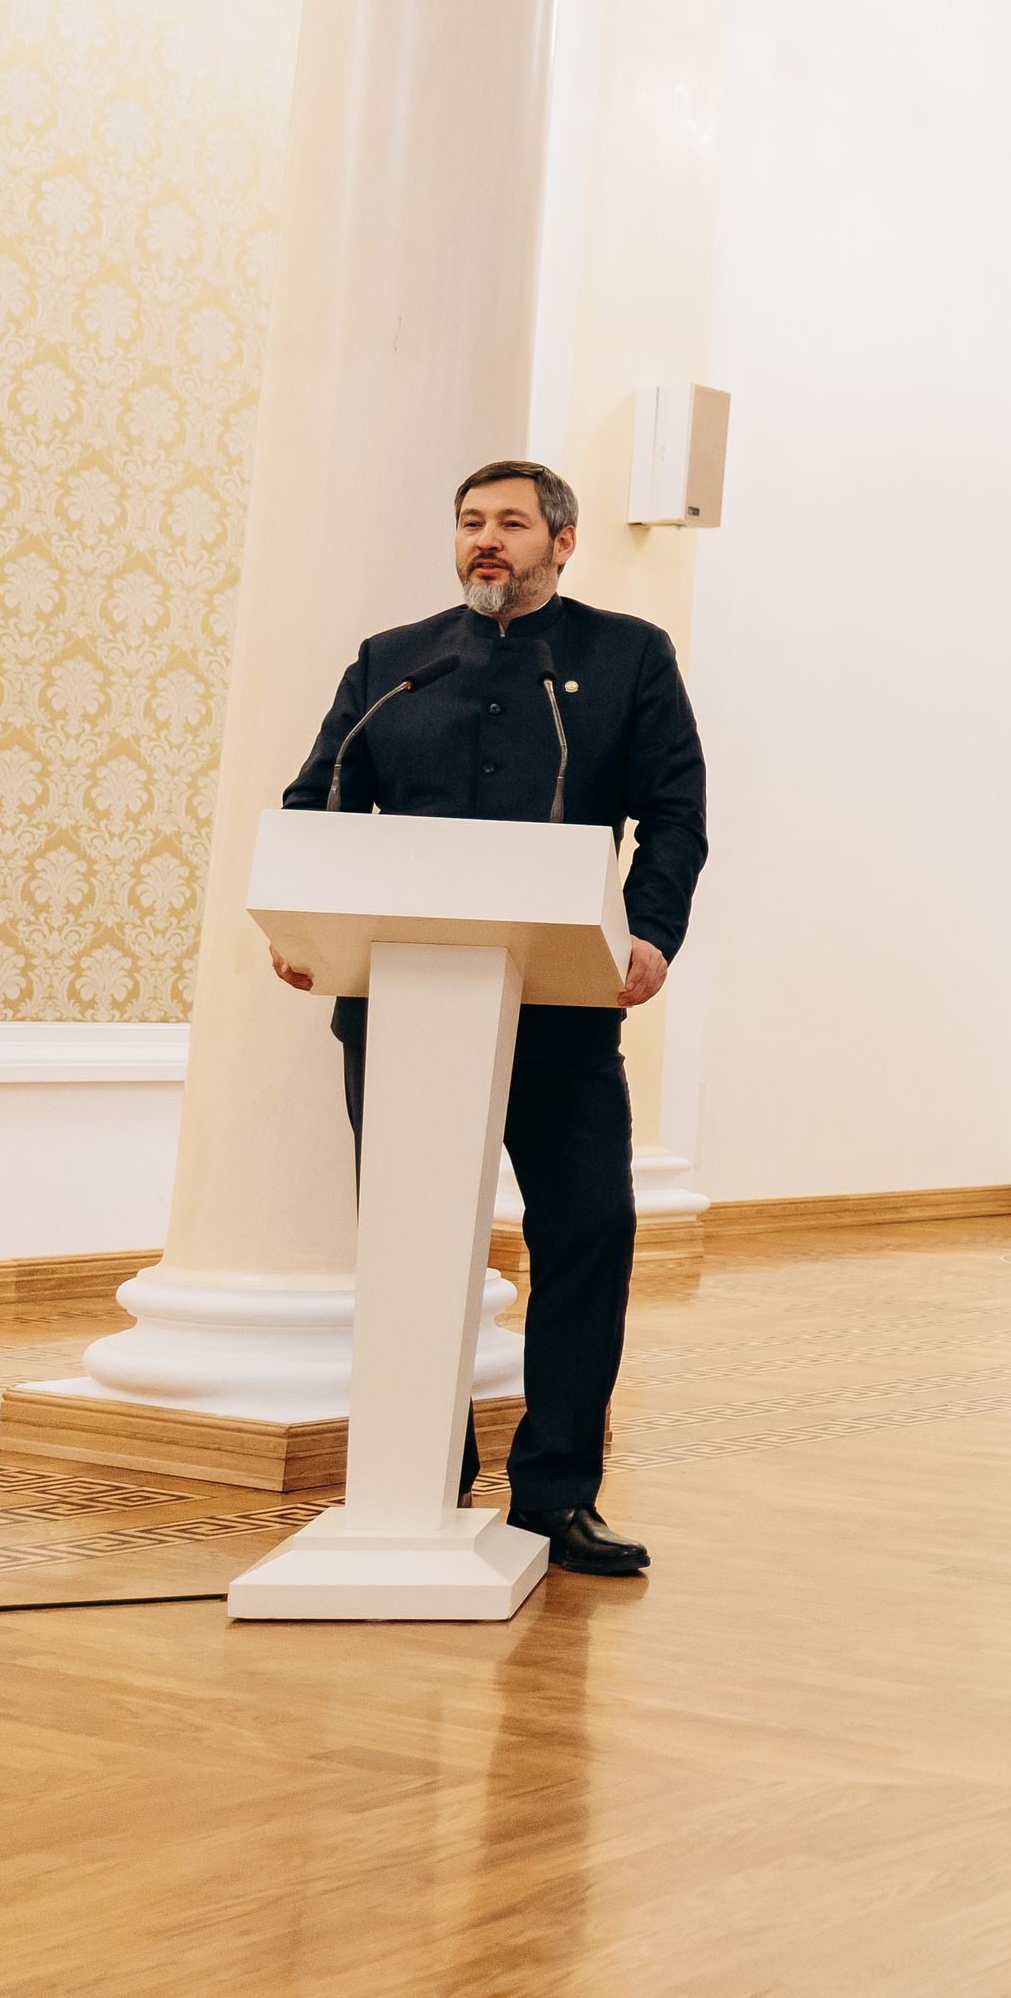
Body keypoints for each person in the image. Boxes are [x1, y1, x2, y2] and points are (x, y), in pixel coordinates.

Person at [273, 459, 707, 1578]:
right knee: (416, 1244)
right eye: (471, 521)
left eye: (511, 523)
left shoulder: (627, 655)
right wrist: (305, 922)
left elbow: (673, 813)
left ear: (562, 543)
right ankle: (424, 1478)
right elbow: (318, 802)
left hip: (561, 1012)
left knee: (587, 1233)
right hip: (404, 1010)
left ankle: (555, 1496)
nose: (486, 540)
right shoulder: (393, 663)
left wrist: (650, 932)